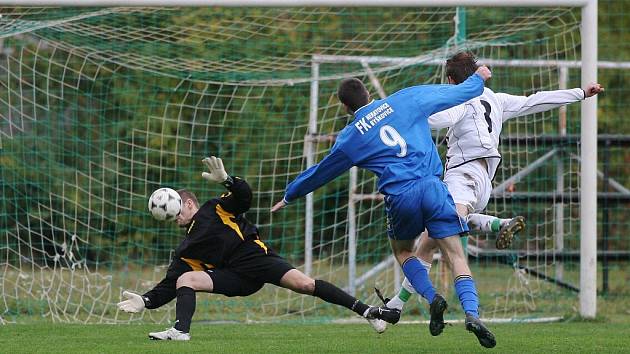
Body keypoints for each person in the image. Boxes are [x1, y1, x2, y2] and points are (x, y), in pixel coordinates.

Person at [371, 51, 604, 334]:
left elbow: (435, 119)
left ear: (451, 80)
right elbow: (535, 100)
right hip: (485, 182)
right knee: (433, 239)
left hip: (462, 176)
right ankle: (397, 304)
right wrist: (580, 92)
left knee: (434, 239)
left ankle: (495, 227)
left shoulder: (458, 100)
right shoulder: (495, 97)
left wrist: (397, 113)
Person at [272, 66, 497, 348]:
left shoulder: (351, 137)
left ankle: (431, 297)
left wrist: (290, 194)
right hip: (432, 186)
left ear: (345, 107)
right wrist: (478, 78)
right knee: (455, 254)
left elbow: (321, 171)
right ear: (368, 92)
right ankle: (472, 312)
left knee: (403, 250)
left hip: (401, 195)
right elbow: (455, 94)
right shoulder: (405, 99)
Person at [117, 156, 398, 341]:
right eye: (169, 215)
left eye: (176, 209)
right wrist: (145, 301)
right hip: (234, 277)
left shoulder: (215, 208)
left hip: (254, 257)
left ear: (188, 203)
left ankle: (368, 312)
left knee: (305, 284)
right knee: (184, 278)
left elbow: (244, 197)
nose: (174, 217)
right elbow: (169, 285)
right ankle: (180, 330)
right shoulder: (186, 248)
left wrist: (228, 180)